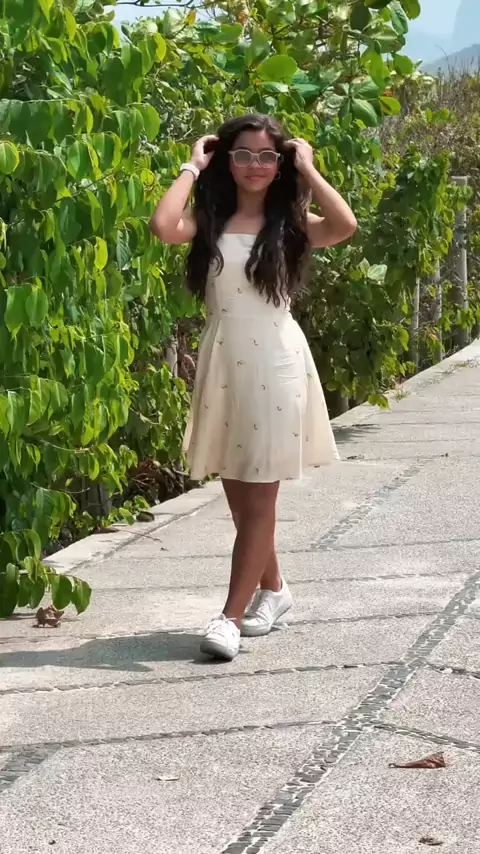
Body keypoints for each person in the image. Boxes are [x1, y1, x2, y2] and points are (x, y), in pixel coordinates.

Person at [150, 113, 357, 661]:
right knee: (242, 500)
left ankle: (229, 618)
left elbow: (345, 225)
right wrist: (191, 167)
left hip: (276, 364)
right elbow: (162, 225)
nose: (255, 166)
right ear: (227, 160)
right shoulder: (211, 219)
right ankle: (276, 589)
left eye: (267, 156)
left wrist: (308, 168)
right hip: (224, 363)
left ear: (279, 163)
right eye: (243, 154)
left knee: (261, 494)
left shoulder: (291, 224)